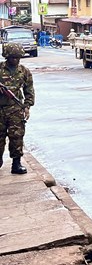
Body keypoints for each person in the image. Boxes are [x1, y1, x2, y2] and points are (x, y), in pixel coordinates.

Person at [0, 44, 34, 174]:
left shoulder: (24, 71)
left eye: (18, 57)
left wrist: (27, 106)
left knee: (17, 137)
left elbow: (29, 90)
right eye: (13, 57)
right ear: (7, 57)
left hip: (15, 109)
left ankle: (16, 163)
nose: (16, 60)